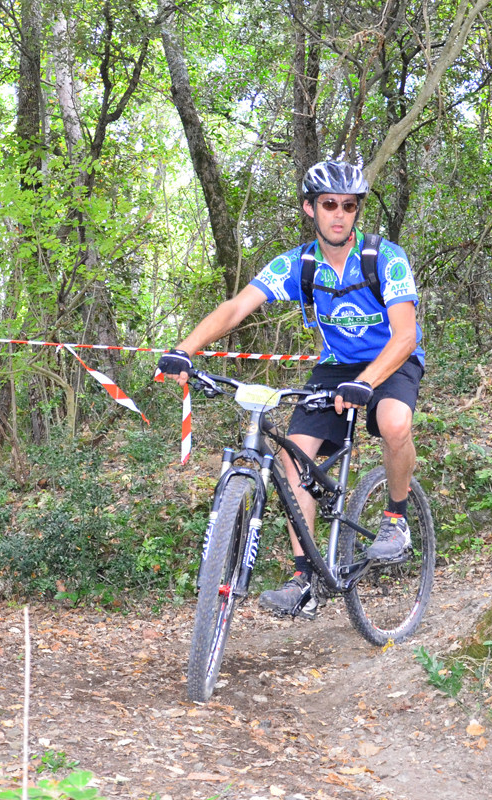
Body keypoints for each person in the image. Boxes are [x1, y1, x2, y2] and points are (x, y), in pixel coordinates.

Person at [157, 160, 425, 617]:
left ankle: (396, 520)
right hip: (335, 366)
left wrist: (365, 383)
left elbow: (404, 335)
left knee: (394, 422)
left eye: (348, 206)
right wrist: (184, 349)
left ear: (357, 211)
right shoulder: (297, 265)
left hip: (389, 361)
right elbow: (237, 307)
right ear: (310, 208)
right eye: (328, 205)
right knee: (294, 456)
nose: (339, 215)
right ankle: (304, 579)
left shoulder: (385, 258)